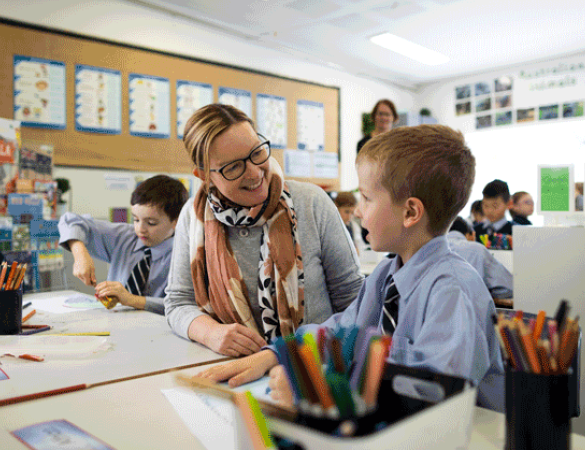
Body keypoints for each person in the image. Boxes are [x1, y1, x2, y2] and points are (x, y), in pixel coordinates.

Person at [198, 124, 505, 412]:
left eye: (367, 199)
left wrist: (322, 395)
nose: (357, 211)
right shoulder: (385, 277)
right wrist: (276, 354)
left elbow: (435, 390)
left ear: (410, 212)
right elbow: (339, 331)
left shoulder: (453, 288)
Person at [164, 104, 363, 357]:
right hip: (231, 369)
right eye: (233, 167)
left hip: (314, 367)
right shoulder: (193, 219)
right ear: (204, 175)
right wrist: (211, 333)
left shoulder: (310, 202)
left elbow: (355, 299)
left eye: (257, 153)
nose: (255, 172)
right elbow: (178, 303)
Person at [59, 175, 188, 314]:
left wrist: (131, 299)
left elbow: (184, 305)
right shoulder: (124, 236)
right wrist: (80, 254)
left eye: (151, 223)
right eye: (136, 219)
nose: (140, 229)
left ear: (177, 221)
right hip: (114, 326)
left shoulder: (187, 255)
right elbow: (70, 220)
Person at [447, 229, 513, 300]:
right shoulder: (477, 248)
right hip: (473, 306)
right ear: (471, 234)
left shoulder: (437, 248)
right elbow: (508, 287)